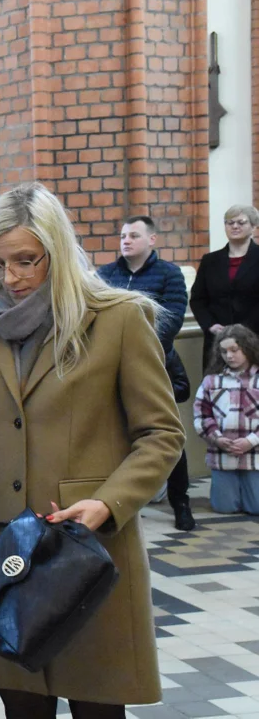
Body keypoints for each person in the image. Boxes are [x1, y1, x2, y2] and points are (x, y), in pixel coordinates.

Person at [0, 183, 185, 718]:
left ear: (57, 250)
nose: (10, 278)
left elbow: (162, 434)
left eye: (26, 261)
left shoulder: (118, 319)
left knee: (96, 706)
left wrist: (108, 503)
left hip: (86, 550)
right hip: (4, 553)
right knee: (23, 707)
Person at [96, 216, 194, 531]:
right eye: (122, 235)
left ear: (151, 240)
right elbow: (95, 316)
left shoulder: (169, 274)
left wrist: (136, 348)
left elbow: (172, 318)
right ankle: (112, 500)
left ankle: (181, 502)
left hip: (156, 361)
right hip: (108, 363)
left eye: (134, 235)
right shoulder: (105, 274)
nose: (126, 240)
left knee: (162, 431)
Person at [193, 324, 259, 515]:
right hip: (223, 453)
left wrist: (250, 441)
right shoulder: (212, 381)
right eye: (224, 351)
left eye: (234, 350)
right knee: (224, 508)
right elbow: (201, 415)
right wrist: (216, 438)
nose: (229, 356)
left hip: (255, 455)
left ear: (247, 348)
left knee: (255, 508)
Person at [190, 205, 259, 365]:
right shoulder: (210, 260)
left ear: (253, 226)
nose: (235, 226)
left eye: (241, 222)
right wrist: (211, 325)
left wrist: (244, 330)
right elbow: (198, 299)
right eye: (230, 222)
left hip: (254, 337)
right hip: (217, 341)